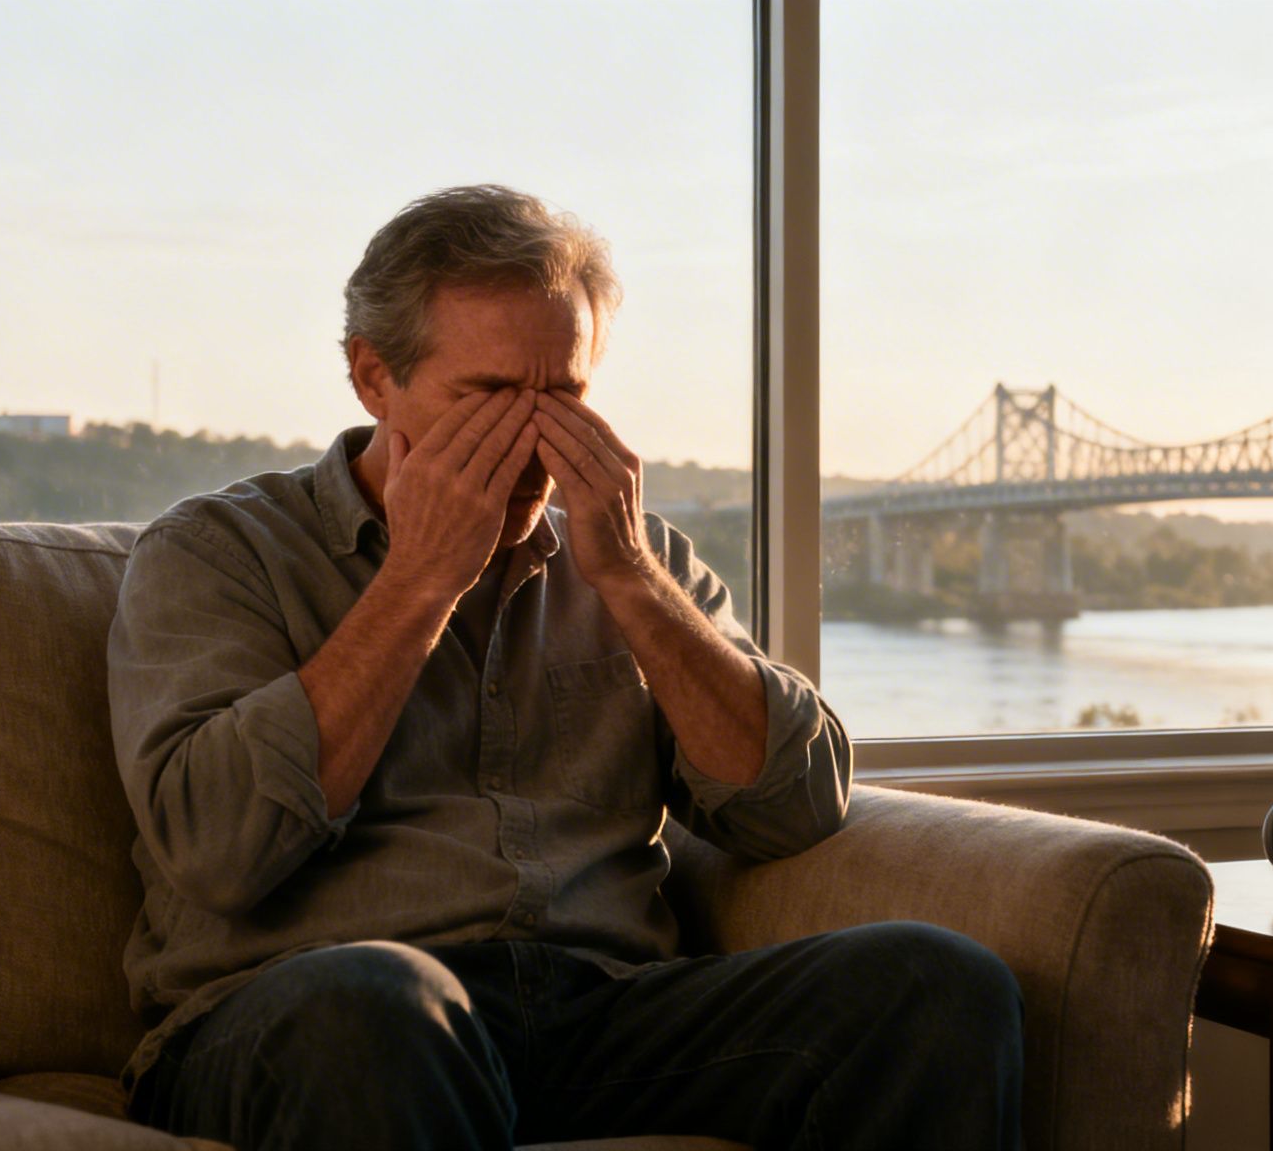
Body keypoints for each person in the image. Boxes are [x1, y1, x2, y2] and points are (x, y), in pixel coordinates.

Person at [108, 185, 1025, 1151]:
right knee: (375, 1004)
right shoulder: (218, 551)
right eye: (492, 397)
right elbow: (215, 848)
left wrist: (629, 580)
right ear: (374, 377)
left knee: (934, 987)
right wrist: (419, 581)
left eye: (567, 397)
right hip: (307, 1014)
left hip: (602, 1013)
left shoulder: (638, 558)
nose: (537, 439)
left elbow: (797, 807)